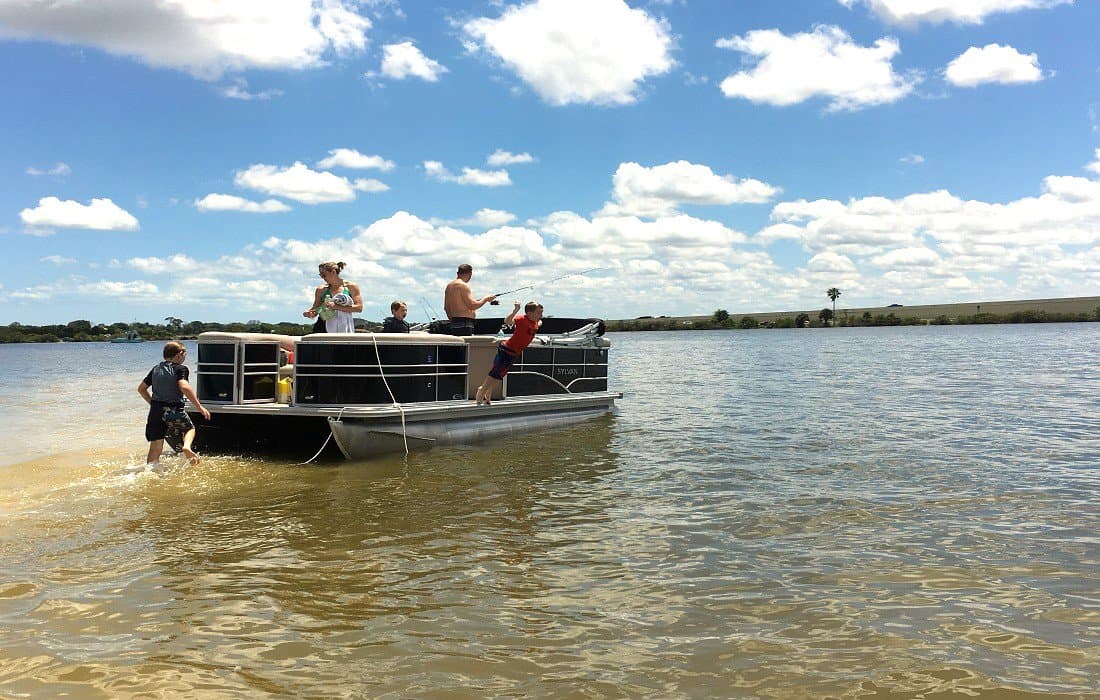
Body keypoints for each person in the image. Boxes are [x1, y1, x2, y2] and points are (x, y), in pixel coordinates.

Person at [138, 341, 211, 466]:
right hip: (174, 409)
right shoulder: (180, 369)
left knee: (155, 446)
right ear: (179, 354)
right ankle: (187, 447)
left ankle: (151, 470)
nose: (184, 358)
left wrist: (153, 404)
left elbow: (141, 389)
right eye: (184, 355)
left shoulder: (156, 369)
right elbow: (184, 387)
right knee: (190, 429)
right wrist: (199, 407)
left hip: (155, 412)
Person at [474, 300, 543, 406]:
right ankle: (482, 390)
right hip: (506, 349)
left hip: (514, 353)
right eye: (538, 313)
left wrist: (539, 321)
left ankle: (488, 391)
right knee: (495, 371)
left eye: (541, 313)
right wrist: (516, 310)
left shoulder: (535, 323)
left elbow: (539, 323)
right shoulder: (522, 319)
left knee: (500, 374)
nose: (540, 315)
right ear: (529, 313)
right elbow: (507, 321)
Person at [303, 261, 363, 333]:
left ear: (333, 272)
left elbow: (359, 308)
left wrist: (336, 307)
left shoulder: (351, 287)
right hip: (322, 326)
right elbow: (316, 308)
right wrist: (310, 313)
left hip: (343, 325)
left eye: (324, 275)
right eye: (320, 275)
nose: (322, 278)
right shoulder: (321, 289)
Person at [443, 263, 496, 336]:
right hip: (465, 324)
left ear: (458, 273)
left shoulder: (449, 286)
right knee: (467, 346)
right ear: (470, 274)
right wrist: (485, 299)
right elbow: (472, 305)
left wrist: (453, 321)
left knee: (459, 346)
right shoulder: (463, 285)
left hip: (454, 324)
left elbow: (446, 308)